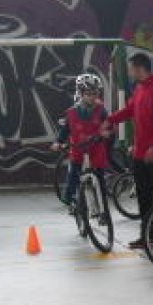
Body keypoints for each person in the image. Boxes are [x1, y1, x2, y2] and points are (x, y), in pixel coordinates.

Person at [108, 53, 153, 250]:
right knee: (144, 196)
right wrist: (109, 120)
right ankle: (148, 237)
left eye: (131, 68)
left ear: (140, 68)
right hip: (140, 154)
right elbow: (129, 110)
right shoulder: (140, 89)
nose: (130, 72)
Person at [51, 74, 111, 209]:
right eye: (88, 94)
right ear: (81, 94)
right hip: (78, 148)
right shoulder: (72, 112)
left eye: (95, 94)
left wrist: (107, 132)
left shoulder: (101, 111)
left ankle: (103, 204)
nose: (92, 97)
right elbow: (65, 129)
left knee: (99, 176)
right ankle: (69, 198)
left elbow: (108, 124)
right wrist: (58, 142)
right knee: (73, 174)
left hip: (96, 148)